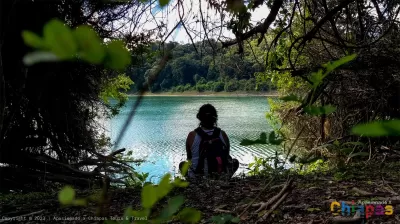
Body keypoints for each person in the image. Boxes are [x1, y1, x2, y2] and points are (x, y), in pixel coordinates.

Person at [179, 104, 239, 179]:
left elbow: (189, 158)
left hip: (198, 177)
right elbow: (227, 156)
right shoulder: (222, 134)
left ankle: (191, 180)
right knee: (235, 162)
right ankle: (224, 178)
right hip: (220, 176)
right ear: (215, 118)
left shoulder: (192, 135)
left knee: (182, 165)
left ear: (199, 118)